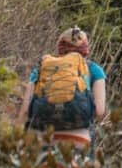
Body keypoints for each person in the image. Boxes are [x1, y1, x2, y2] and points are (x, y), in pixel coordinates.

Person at [19, 27, 108, 158]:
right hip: (80, 139)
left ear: (60, 48)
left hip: (42, 138)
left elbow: (25, 111)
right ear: (85, 49)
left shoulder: (42, 68)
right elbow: (100, 111)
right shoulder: (94, 69)